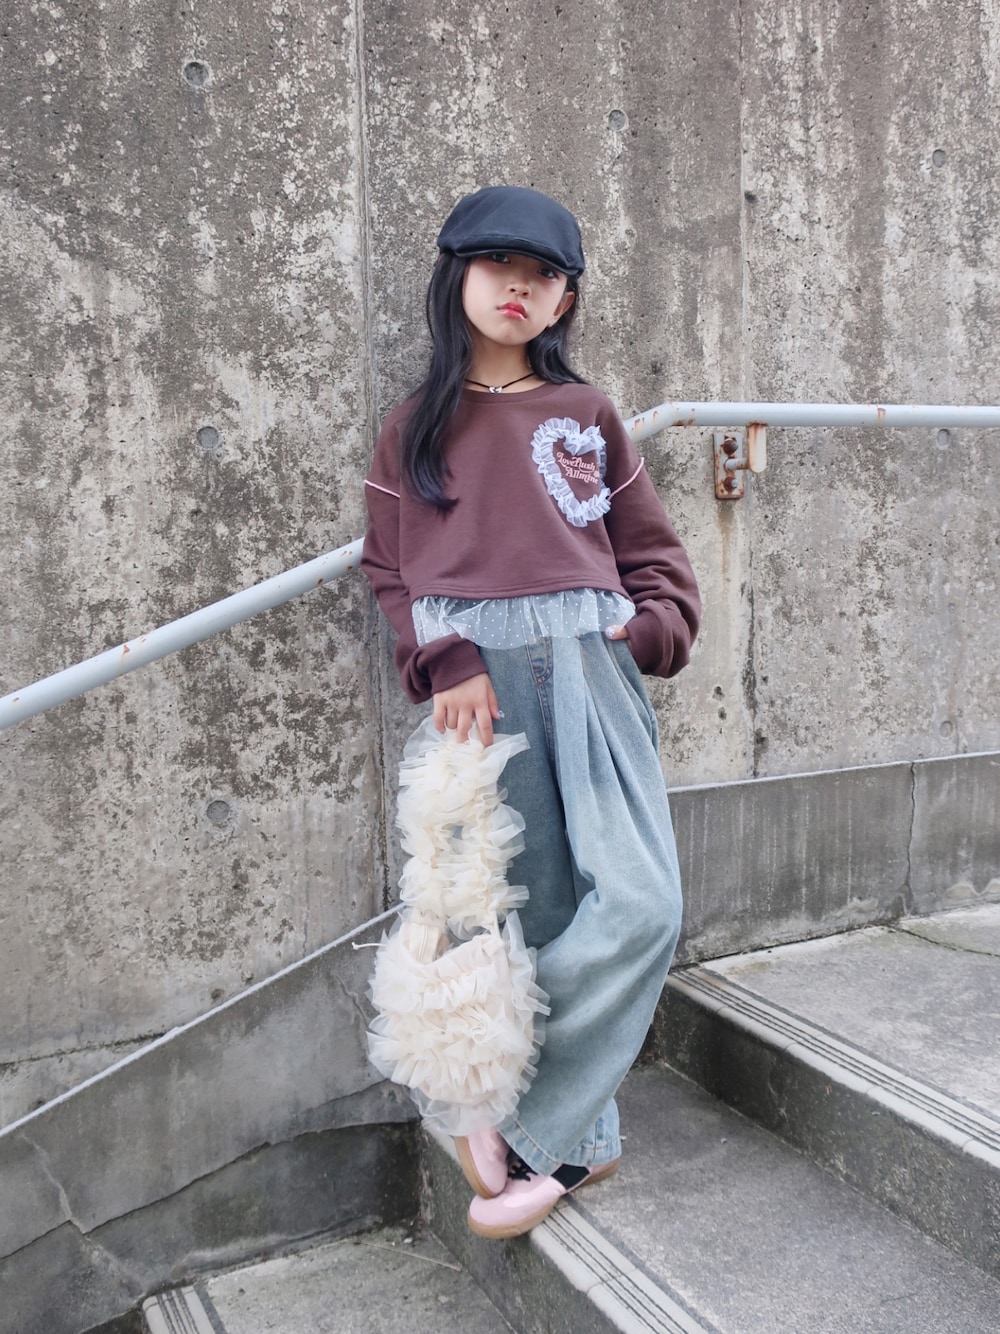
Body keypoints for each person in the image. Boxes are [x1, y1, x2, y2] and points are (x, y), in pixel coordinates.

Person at [362, 184, 701, 1240]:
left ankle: (503, 1107)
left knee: (640, 904)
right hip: (480, 688)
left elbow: (654, 555)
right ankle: (577, 1145)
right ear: (456, 275)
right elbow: (389, 572)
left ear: (565, 300)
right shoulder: (414, 427)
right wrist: (445, 658)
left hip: (592, 673)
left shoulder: (587, 415)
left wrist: (648, 630)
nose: (519, 286)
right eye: (498, 264)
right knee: (533, 907)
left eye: (544, 274)